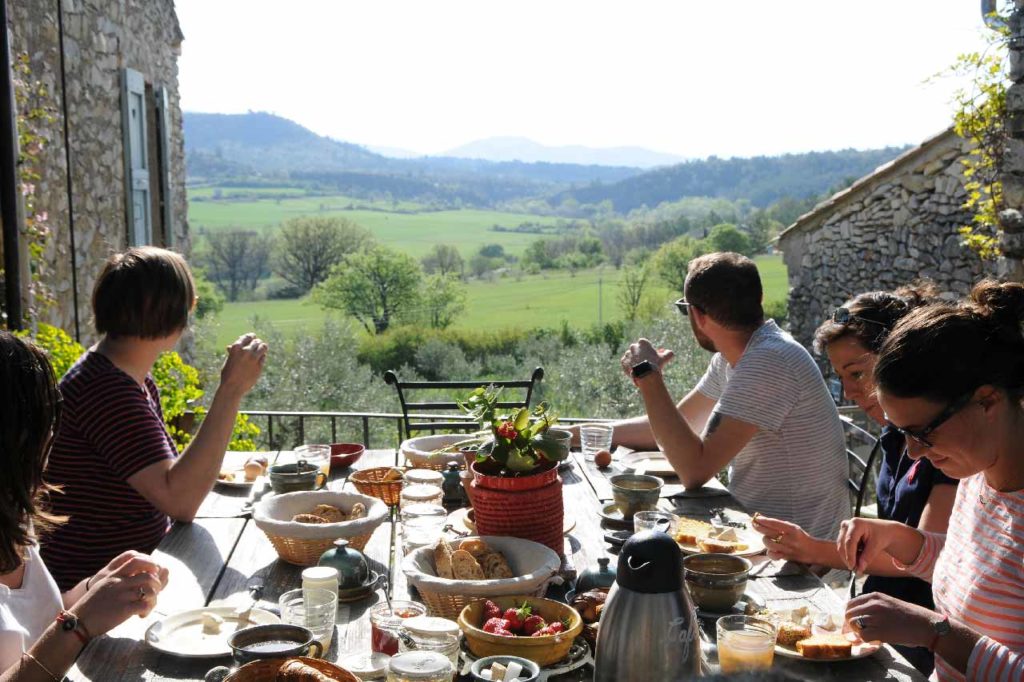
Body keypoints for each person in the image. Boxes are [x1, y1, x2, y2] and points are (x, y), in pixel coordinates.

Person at [751, 284, 957, 675]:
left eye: (857, 372)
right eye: (841, 377)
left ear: (898, 359)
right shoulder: (895, 437)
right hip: (873, 626)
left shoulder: (944, 445)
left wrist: (816, 550)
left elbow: (927, 555)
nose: (848, 390)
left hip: (919, 642)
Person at [40, 247, 267, 591]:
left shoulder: (127, 379)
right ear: (168, 314)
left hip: (135, 571)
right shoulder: (104, 390)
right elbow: (181, 501)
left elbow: (172, 480)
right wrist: (231, 390)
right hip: (97, 595)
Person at [837, 280, 1024, 681]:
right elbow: (985, 575)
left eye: (921, 432)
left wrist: (932, 632)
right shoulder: (978, 477)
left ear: (987, 401)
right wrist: (897, 539)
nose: (913, 452)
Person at [612, 252, 849, 542]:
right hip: (757, 530)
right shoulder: (736, 357)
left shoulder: (768, 361)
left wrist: (649, 378)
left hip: (799, 557)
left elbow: (694, 469)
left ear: (697, 315)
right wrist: (566, 433)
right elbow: (671, 428)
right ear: (759, 299)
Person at [0, 331, 168, 680]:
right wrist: (79, 624)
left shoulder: (13, 513)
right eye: (46, 420)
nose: (53, 437)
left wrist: (96, 588)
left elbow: (39, 621)